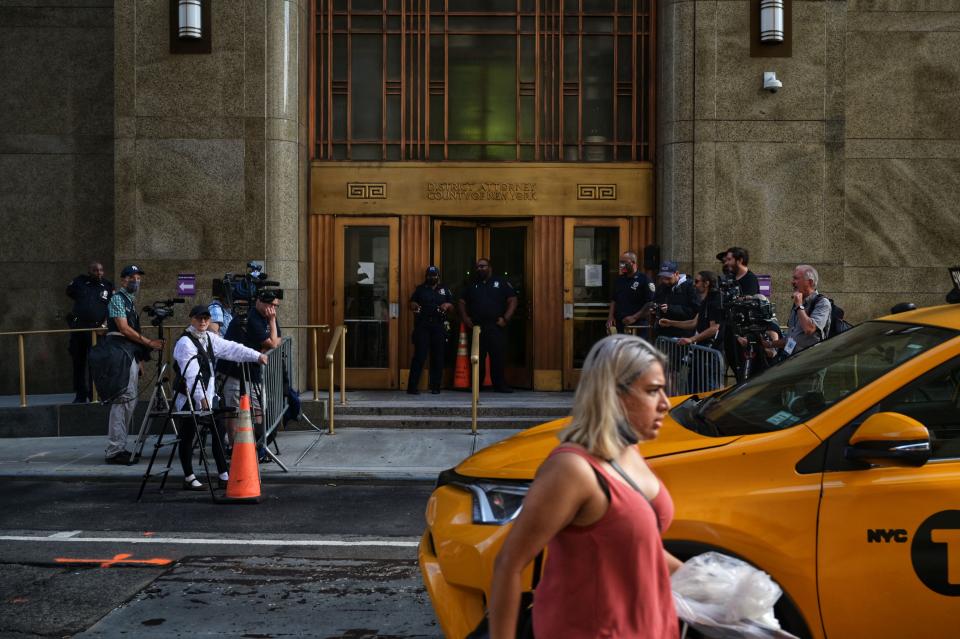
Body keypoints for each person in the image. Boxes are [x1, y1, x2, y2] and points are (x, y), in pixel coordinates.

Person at [488, 334, 681, 638]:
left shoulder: (629, 450)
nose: (665, 404)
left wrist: (714, 585)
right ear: (614, 394)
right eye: (652, 391)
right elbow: (509, 565)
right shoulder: (571, 469)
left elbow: (639, 548)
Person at [172, 305, 266, 491]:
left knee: (218, 430)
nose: (203, 321)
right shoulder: (185, 343)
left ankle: (224, 475)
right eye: (199, 318)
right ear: (192, 319)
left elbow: (231, 349)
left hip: (208, 395)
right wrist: (202, 400)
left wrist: (256, 356)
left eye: (206, 318)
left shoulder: (209, 338)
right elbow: (191, 375)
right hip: (190, 397)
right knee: (188, 434)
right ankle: (189, 476)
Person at [104, 265, 164, 464]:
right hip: (119, 354)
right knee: (122, 401)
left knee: (129, 401)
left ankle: (120, 446)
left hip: (128, 355)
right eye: (132, 277)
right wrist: (149, 343)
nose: (135, 281)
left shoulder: (129, 301)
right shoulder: (117, 299)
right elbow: (124, 329)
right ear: (123, 280)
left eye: (138, 277)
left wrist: (138, 360)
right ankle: (114, 450)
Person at [217, 290, 282, 452]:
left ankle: (257, 445)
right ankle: (234, 448)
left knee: (259, 406)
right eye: (270, 304)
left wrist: (272, 324)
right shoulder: (252, 318)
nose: (272, 309)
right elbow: (273, 344)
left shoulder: (267, 317)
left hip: (252, 370)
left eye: (275, 306)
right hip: (233, 370)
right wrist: (272, 322)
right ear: (259, 301)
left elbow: (277, 340)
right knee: (234, 411)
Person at [458, 258, 518, 393]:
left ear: (490, 267)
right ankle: (476, 386)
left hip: (495, 326)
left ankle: (500, 385)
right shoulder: (472, 284)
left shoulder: (501, 282)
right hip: (477, 327)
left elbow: (513, 300)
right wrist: (465, 317)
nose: (480, 269)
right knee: (477, 357)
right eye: (478, 267)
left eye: (482, 266)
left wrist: (506, 318)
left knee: (498, 356)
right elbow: (461, 302)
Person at [65, 261, 113, 403]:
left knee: (96, 363)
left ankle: (94, 394)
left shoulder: (108, 286)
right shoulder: (79, 282)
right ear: (89, 271)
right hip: (79, 329)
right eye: (95, 270)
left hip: (97, 332)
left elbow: (112, 308)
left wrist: (104, 325)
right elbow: (70, 292)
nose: (98, 272)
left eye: (100, 270)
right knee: (78, 363)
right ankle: (80, 394)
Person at [407, 266, 453, 395]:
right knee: (419, 356)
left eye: (434, 275)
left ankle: (435, 387)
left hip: (439, 326)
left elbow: (452, 306)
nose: (431, 278)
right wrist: (414, 305)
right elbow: (411, 303)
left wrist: (447, 305)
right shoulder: (420, 289)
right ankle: (412, 387)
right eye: (429, 275)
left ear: (438, 276)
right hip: (423, 325)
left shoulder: (445, 289)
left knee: (438, 357)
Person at [767, 265, 831, 358]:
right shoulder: (799, 303)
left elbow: (809, 329)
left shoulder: (822, 303)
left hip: (809, 363)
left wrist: (799, 306)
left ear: (810, 282)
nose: (792, 282)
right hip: (792, 359)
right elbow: (792, 339)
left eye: (796, 279)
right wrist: (768, 344)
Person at [658, 270, 722, 348]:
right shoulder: (705, 301)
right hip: (703, 346)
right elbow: (693, 323)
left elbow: (714, 328)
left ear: (706, 283)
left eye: (697, 281)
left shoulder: (715, 301)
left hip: (712, 348)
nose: (694, 284)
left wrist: (692, 339)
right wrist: (670, 323)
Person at [606, 251, 654, 334]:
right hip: (620, 324)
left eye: (623, 262)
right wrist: (610, 316)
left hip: (637, 326)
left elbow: (650, 303)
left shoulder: (644, 280)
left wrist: (634, 317)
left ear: (633, 263)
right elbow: (614, 299)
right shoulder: (619, 280)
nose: (621, 265)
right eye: (620, 262)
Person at [653, 260, 699, 339]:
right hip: (663, 333)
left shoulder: (690, 287)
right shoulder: (661, 287)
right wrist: (655, 308)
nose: (665, 281)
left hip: (682, 335)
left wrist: (670, 308)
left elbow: (695, 311)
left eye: (668, 278)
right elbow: (656, 302)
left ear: (676, 274)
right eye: (662, 278)